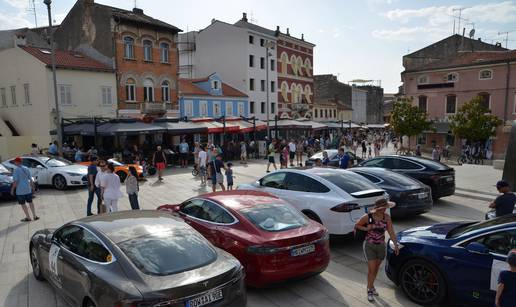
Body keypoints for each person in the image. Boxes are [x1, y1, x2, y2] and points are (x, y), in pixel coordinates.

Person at [355, 198, 399, 302]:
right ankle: (369, 290)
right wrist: (366, 229)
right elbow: (357, 225)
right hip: (369, 246)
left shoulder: (387, 218)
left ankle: (372, 286)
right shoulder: (369, 217)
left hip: (381, 246)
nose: (385, 209)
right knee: (371, 269)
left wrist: (396, 245)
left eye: (386, 207)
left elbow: (391, 231)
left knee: (375, 270)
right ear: (378, 208)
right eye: (383, 207)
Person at [10, 157, 38, 222]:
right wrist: (33, 187)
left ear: (18, 162)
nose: (14, 162)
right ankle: (34, 216)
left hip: (20, 191)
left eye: (15, 161)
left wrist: (12, 189)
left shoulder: (16, 170)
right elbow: (30, 179)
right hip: (28, 189)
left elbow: (15, 182)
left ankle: (28, 217)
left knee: (23, 204)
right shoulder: (26, 168)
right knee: (31, 202)